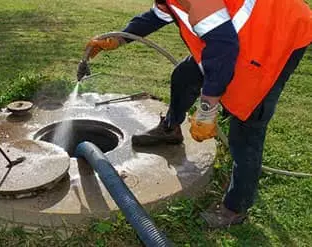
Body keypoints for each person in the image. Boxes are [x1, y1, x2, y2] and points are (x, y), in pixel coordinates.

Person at [85, 0, 312, 228]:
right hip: (235, 32)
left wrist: (207, 109)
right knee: (185, 76)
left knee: (248, 120)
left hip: (278, 32)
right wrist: (122, 36)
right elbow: (163, 13)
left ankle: (235, 207)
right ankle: (170, 128)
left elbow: (223, 48)